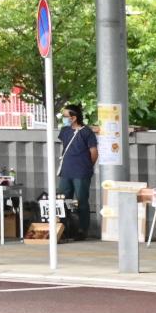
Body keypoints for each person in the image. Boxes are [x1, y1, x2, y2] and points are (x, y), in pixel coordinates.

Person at [56, 102, 99, 240]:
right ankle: (63, 228)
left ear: (73, 117)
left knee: (81, 201)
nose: (64, 118)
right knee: (63, 200)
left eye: (65, 116)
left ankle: (82, 230)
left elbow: (94, 152)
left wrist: (87, 166)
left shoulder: (87, 132)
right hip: (66, 171)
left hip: (81, 172)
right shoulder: (64, 130)